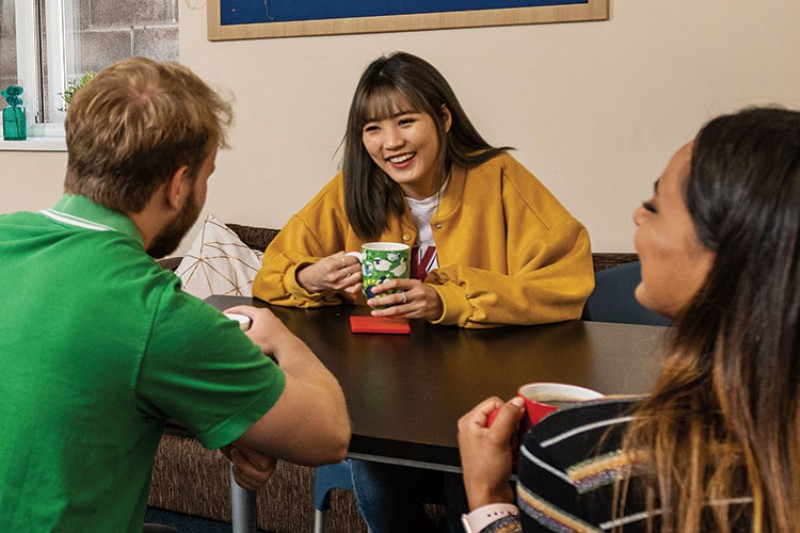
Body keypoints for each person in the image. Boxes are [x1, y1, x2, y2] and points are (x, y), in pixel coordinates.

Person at [0, 57, 350, 532]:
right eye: (206, 175)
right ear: (179, 184)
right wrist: (278, 335)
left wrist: (221, 414)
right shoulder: (156, 311)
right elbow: (326, 435)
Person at [253, 51, 594, 532]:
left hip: (482, 388)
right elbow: (271, 272)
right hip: (385, 397)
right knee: (369, 458)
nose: (391, 142)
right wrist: (310, 277)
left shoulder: (497, 178)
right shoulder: (353, 188)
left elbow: (567, 278)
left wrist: (449, 299)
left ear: (444, 118)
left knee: (467, 485)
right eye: (372, 128)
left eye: (406, 121)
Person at [457, 106, 800, 532]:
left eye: (655, 205)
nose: (639, 214)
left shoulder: (579, 456)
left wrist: (489, 500)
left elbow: (556, 283)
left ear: (729, 254)